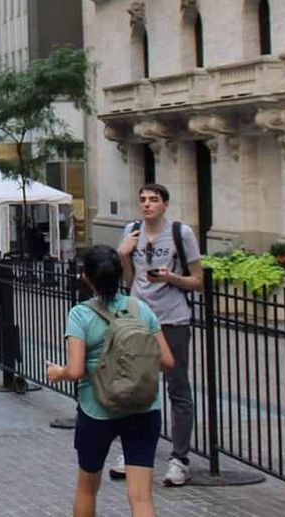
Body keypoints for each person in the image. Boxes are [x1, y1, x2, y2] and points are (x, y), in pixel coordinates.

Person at [47, 245, 174, 517]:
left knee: (87, 486)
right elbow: (167, 361)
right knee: (141, 497)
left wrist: (59, 372)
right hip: (143, 407)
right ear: (119, 275)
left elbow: (77, 369)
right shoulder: (140, 309)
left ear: (86, 278)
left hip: (98, 408)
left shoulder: (80, 314)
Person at [116, 183, 202, 486]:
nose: (147, 204)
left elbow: (198, 280)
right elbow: (128, 281)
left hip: (173, 320)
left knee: (177, 388)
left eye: (154, 200)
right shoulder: (131, 231)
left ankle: (180, 459)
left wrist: (171, 277)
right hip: (140, 320)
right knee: (137, 388)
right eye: (143, 200)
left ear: (165, 204)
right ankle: (134, 454)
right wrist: (124, 256)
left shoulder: (182, 234)